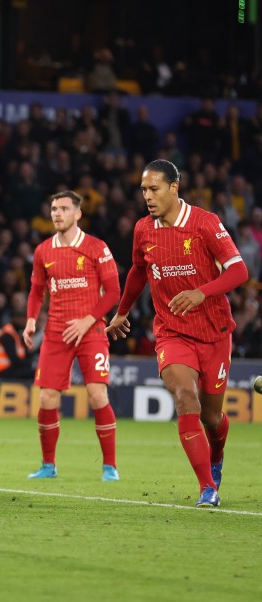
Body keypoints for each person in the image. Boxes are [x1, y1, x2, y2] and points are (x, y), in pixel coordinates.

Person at [106, 160, 249, 508]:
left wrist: (203, 292)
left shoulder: (204, 223)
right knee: (185, 395)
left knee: (212, 418)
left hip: (214, 332)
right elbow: (139, 271)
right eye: (143, 190)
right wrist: (122, 311)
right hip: (172, 333)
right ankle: (207, 488)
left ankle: (217, 456)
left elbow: (239, 270)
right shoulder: (143, 229)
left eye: (154, 189)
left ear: (174, 187)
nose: (147, 196)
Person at [22, 190, 121, 481]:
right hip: (55, 332)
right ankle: (48, 466)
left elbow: (114, 292)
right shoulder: (43, 251)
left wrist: (87, 320)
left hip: (91, 331)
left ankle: (109, 466)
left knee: (96, 393)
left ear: (78, 213)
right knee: (47, 399)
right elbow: (37, 291)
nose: (57, 213)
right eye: (54, 208)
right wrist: (30, 321)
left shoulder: (96, 247)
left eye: (64, 208)